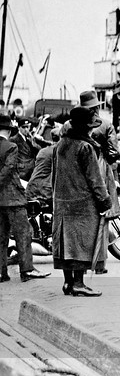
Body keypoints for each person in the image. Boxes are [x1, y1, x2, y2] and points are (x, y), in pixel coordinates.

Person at [52, 107, 111, 296]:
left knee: (66, 244)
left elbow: (55, 176)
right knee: (82, 243)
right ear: (87, 127)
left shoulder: (61, 144)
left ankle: (68, 283)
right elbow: (95, 179)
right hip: (83, 204)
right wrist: (105, 202)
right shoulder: (85, 147)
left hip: (62, 203)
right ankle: (79, 283)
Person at [0, 114, 50, 283]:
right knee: (24, 234)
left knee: (1, 236)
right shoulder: (11, 147)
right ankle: (27, 270)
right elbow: (8, 170)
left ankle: (1, 272)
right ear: (8, 130)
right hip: (13, 198)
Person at [81, 91, 120, 274]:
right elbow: (115, 152)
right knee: (102, 218)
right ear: (97, 107)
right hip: (100, 170)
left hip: (78, 174)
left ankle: (82, 262)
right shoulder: (105, 124)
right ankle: (99, 264)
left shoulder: (69, 125)